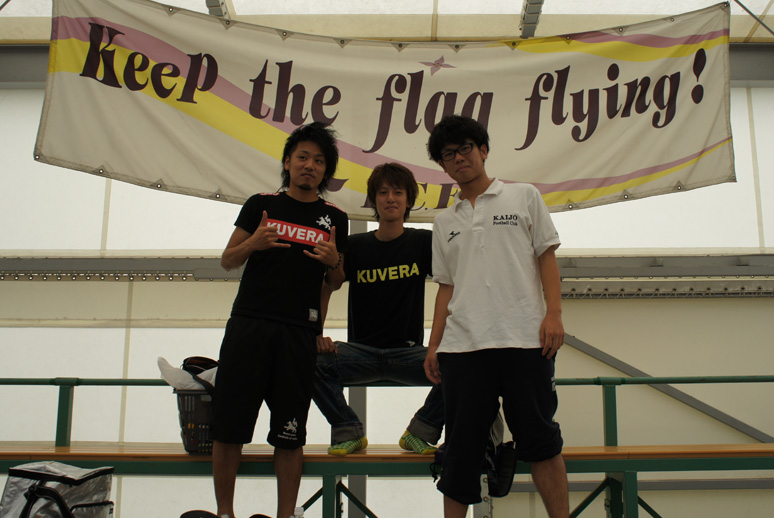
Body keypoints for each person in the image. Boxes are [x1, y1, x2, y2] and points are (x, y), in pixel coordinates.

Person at [423, 115, 570, 518]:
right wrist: (434, 345)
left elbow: (546, 256)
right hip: (463, 349)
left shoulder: (524, 197)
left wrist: (554, 314)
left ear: (483, 150)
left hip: (525, 342)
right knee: (460, 452)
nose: (458, 158)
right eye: (448, 154)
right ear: (443, 166)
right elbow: (446, 287)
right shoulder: (444, 222)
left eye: (465, 148)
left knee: (541, 441)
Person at [211, 122, 348, 518]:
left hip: (298, 333)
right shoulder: (260, 204)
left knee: (290, 433)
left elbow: (335, 282)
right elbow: (227, 260)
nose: (310, 165)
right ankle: (225, 513)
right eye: (302, 157)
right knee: (229, 428)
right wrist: (254, 243)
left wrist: (333, 263)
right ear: (288, 162)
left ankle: (286, 514)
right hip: (249, 325)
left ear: (325, 171)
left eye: (319, 161)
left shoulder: (335, 217)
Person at [313, 162, 443, 456]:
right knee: (308, 360)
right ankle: (348, 431)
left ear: (409, 200)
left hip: (408, 353)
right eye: (383, 192)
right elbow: (329, 285)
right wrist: (316, 334)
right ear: (373, 200)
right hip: (359, 354)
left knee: (463, 367)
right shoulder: (355, 245)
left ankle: (420, 431)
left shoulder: (423, 241)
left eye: (398, 192)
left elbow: (450, 287)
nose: (390, 199)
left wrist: (439, 344)